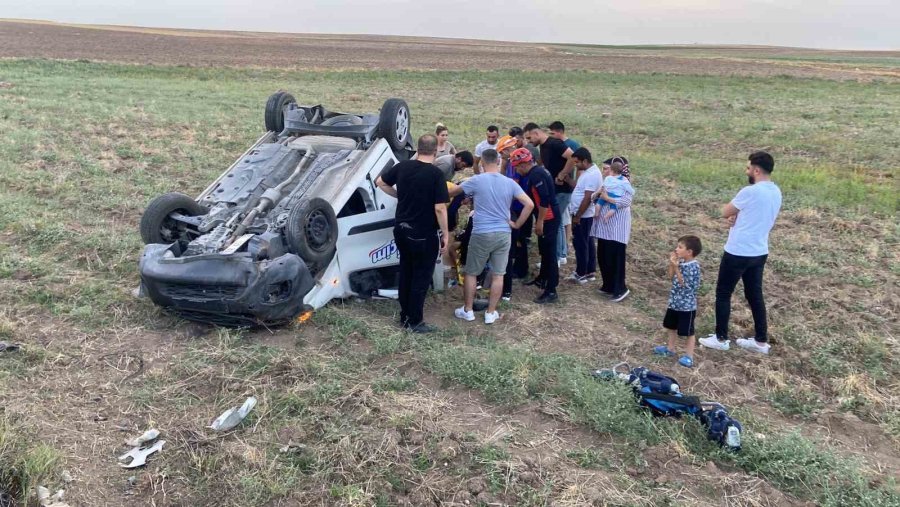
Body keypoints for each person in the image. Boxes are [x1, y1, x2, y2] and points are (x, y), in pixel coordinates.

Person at [699, 151, 782, 355]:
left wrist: (733, 216)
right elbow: (754, 216)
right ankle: (761, 340)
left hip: (738, 250)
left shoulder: (750, 191)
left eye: (748, 168)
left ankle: (721, 338)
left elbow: (725, 211)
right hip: (759, 250)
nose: (746, 171)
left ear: (756, 170)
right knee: (755, 295)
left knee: (723, 293)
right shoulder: (776, 191)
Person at [375, 134, 449, 333]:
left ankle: (404, 315)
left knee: (406, 271)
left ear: (418, 148)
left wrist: (400, 196)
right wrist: (446, 233)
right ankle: (415, 321)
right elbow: (440, 208)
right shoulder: (435, 175)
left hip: (401, 230)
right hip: (423, 234)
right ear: (436, 151)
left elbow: (380, 182)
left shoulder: (402, 166)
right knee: (421, 277)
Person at [450, 149, 534, 324]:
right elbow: (529, 204)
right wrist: (517, 224)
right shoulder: (510, 182)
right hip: (503, 232)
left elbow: (453, 192)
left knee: (472, 273)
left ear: (481, 163)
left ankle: (468, 310)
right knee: (498, 274)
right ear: (498, 161)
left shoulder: (475, 180)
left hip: (481, 232)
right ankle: (490, 312)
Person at [511, 148, 560, 304]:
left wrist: (540, 222)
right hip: (546, 216)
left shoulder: (536, 175)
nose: (517, 171)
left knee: (550, 253)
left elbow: (544, 199)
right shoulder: (538, 171)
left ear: (524, 164)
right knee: (544, 250)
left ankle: (551, 290)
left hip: (548, 218)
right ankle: (542, 278)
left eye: (517, 167)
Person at [523, 123, 575, 266]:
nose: (529, 141)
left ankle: (556, 257)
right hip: (555, 189)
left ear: (536, 133)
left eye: (529, 138)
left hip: (562, 189)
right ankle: (562, 254)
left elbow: (573, 157)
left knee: (555, 223)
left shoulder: (555, 144)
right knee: (558, 223)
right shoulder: (543, 147)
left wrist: (562, 175)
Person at [654, 235, 703, 368]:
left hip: (686, 306)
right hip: (674, 302)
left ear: (689, 252)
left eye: (680, 247)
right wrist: (672, 264)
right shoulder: (680, 262)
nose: (676, 249)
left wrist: (676, 268)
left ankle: (689, 356)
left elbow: (685, 284)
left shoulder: (694, 267)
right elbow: (670, 277)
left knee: (688, 332)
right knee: (671, 326)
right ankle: (670, 348)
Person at [590, 159, 634, 302]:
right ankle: (607, 285)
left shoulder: (624, 185)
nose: (604, 172)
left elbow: (626, 202)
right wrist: (599, 196)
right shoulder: (607, 182)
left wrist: (607, 198)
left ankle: (620, 288)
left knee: (616, 259)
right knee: (603, 256)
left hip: (616, 229)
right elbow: (593, 198)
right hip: (604, 227)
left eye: (607, 169)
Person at [496, 135, 530, 300]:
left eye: (502, 153)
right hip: (517, 206)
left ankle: (520, 269)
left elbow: (512, 185)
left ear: (509, 150)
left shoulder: (514, 163)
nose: (501, 157)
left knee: (518, 240)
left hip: (518, 207)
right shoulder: (510, 162)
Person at [569, 148, 601, 283]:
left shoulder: (592, 175)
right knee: (587, 242)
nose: (575, 165)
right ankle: (589, 271)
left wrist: (578, 216)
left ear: (585, 161)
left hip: (583, 215)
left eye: (577, 163)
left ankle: (581, 272)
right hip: (583, 215)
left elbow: (587, 198)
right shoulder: (589, 172)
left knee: (581, 244)